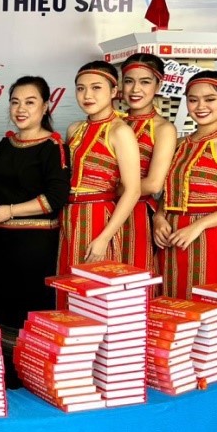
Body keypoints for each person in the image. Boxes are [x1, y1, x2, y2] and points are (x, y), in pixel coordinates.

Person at [154, 71, 217, 298]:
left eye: (210, 99)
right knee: (170, 306)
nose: (200, 106)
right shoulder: (178, 144)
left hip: (209, 236)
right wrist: (158, 218)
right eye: (193, 99)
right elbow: (168, 193)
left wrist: (198, 226)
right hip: (170, 237)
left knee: (206, 306)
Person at [0, 76, 70, 335]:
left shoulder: (53, 147)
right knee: (5, 309)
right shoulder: (5, 144)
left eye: (30, 102)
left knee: (32, 313)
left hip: (36, 245)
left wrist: (10, 211)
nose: (20, 109)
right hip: (2, 243)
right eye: (15, 102)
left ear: (45, 107)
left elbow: (55, 198)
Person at [58, 60, 141, 276]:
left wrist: (105, 237)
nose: (87, 95)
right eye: (80, 88)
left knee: (95, 283)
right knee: (67, 282)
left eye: (96, 87)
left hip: (99, 217)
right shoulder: (74, 129)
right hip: (68, 216)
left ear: (113, 91)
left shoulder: (120, 131)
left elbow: (133, 190)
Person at [120, 53, 177, 272]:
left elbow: (154, 184)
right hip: (104, 211)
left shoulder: (163, 128)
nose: (135, 89)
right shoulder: (113, 123)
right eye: (129, 81)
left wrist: (103, 193)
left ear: (158, 85)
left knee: (132, 277)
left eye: (145, 82)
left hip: (138, 214)